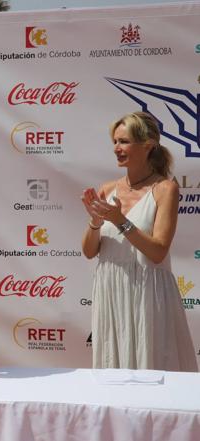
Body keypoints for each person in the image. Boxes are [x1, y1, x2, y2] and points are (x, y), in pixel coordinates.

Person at [80, 111, 197, 372]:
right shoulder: (107, 189)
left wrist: (120, 220)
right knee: (113, 374)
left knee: (152, 372)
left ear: (148, 145)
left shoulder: (165, 189)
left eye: (124, 142)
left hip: (148, 294)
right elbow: (89, 251)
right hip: (111, 292)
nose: (116, 149)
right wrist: (96, 221)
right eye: (115, 141)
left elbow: (158, 251)